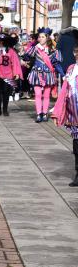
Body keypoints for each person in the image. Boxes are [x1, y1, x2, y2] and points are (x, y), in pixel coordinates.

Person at [24, 27, 64, 122]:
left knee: (46, 95)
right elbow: (26, 57)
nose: (40, 38)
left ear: (47, 38)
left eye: (42, 37)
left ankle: (45, 113)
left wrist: (63, 74)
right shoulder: (35, 48)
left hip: (48, 74)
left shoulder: (53, 50)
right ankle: (39, 114)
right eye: (39, 37)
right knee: (37, 95)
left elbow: (57, 64)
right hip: (36, 74)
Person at [52, 45, 78, 186]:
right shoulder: (71, 69)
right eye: (76, 52)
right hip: (74, 114)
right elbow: (64, 91)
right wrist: (57, 112)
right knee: (76, 147)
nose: (76, 55)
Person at [0, 34, 22, 117]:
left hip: (8, 74)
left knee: (6, 92)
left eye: (3, 41)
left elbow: (15, 62)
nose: (1, 42)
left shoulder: (11, 51)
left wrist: (16, 73)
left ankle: (5, 110)